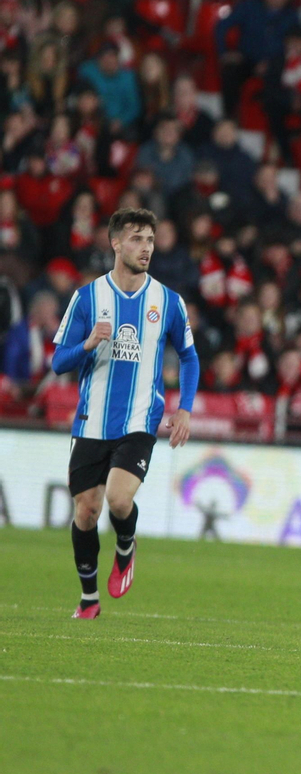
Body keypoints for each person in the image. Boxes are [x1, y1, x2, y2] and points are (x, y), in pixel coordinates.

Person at [49, 208, 199, 619]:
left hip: (140, 419)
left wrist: (184, 409)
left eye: (149, 239)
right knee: (86, 511)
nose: (145, 247)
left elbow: (189, 357)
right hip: (91, 419)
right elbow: (57, 362)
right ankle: (89, 599)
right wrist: (86, 345)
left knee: (117, 500)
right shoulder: (87, 298)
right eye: (136, 239)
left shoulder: (167, 301)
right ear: (115, 243)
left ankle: (126, 544)